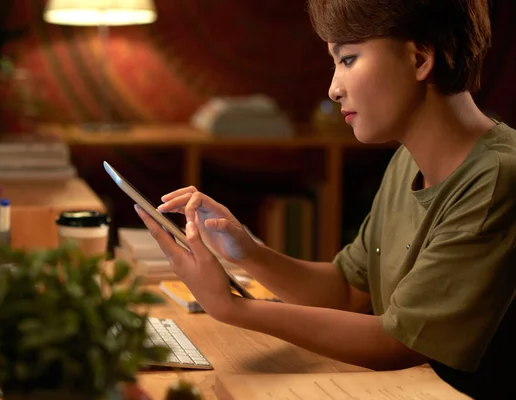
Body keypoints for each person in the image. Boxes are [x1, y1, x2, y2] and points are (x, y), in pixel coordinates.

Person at [134, 0, 515, 398]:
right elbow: (348, 290)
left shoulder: (496, 178)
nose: (333, 89)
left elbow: (401, 341)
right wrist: (246, 251)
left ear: (419, 59)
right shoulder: (407, 160)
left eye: (348, 59)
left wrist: (232, 307)